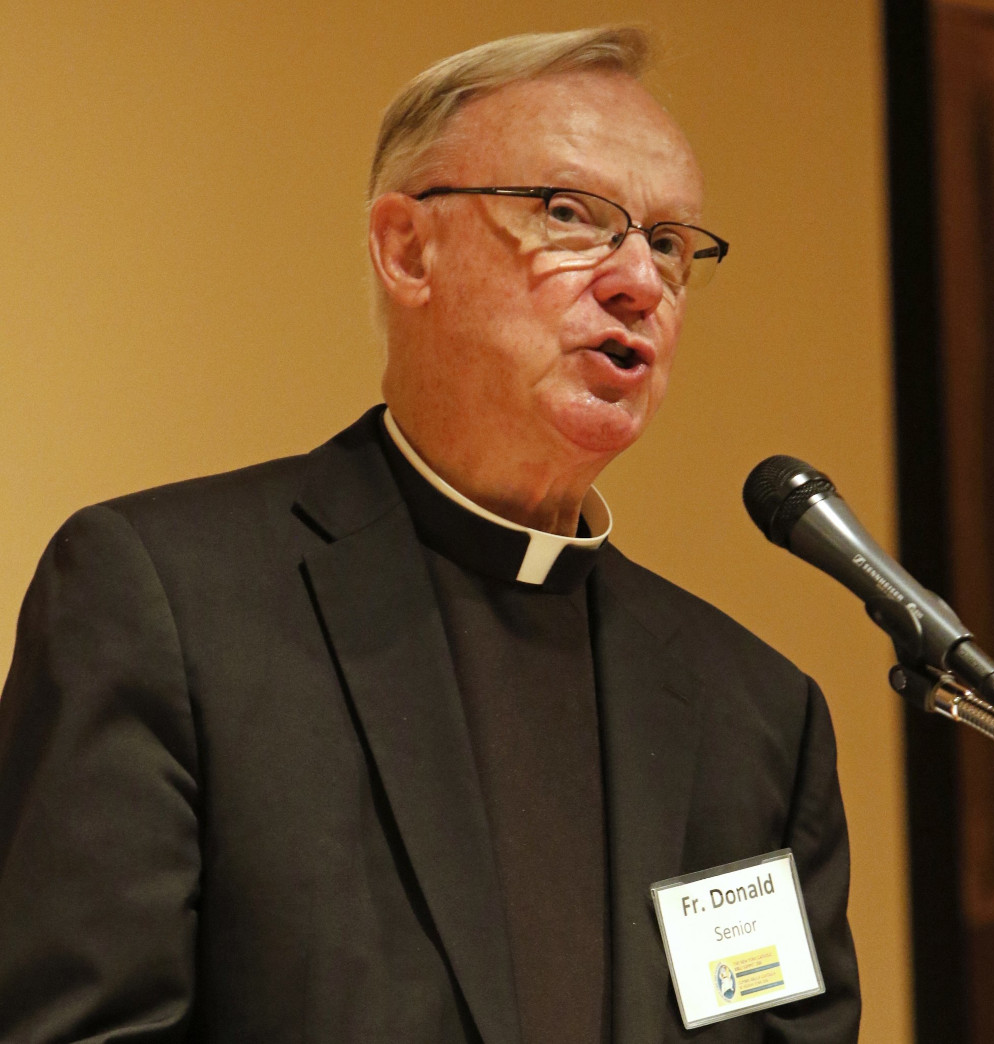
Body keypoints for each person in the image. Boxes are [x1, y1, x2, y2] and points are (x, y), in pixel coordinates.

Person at [0, 26, 860, 1043]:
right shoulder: (169, 601)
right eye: (571, 215)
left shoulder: (753, 714)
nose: (638, 279)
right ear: (408, 249)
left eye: (669, 243)